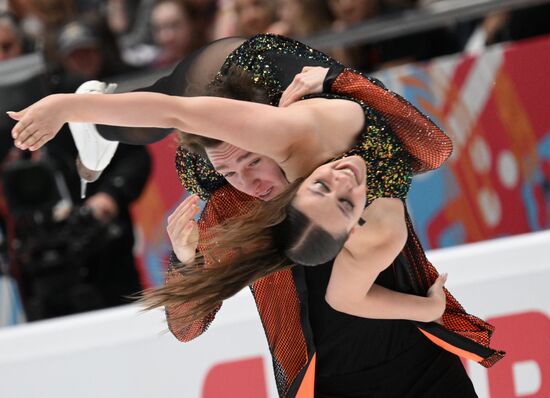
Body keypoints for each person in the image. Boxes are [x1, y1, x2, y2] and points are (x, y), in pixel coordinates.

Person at [9, 34, 502, 396]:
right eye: (233, 170)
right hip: (326, 383)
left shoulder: (316, 143)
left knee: (197, 94)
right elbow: (185, 328)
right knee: (183, 106)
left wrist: (338, 81)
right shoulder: (230, 201)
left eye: (251, 163)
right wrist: (187, 261)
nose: (250, 182)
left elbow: (433, 146)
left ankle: (97, 112)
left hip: (420, 364)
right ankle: (101, 115)